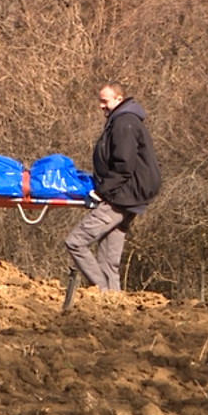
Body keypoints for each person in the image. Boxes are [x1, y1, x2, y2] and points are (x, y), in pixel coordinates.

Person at [64, 81, 161, 292]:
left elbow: (124, 165)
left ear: (119, 99)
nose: (101, 106)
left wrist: (101, 192)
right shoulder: (121, 120)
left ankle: (102, 291)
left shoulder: (124, 123)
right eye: (100, 101)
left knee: (75, 241)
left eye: (105, 101)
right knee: (108, 260)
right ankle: (113, 303)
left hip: (122, 197)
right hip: (128, 197)